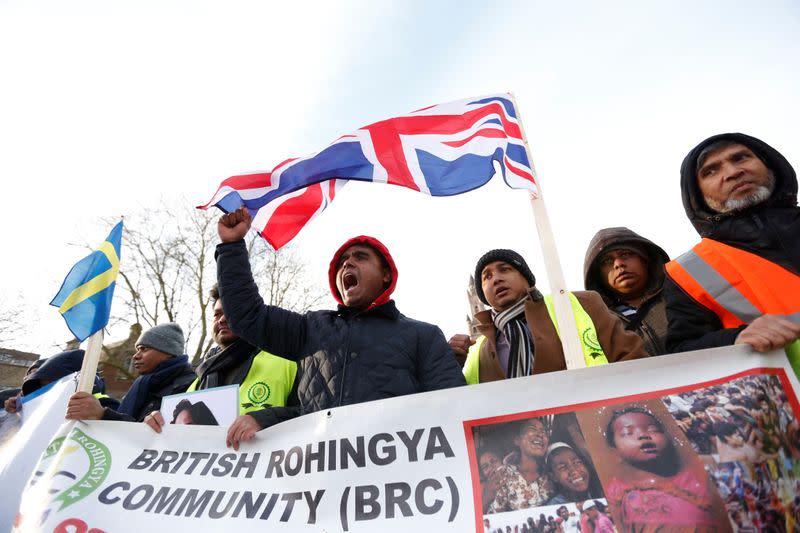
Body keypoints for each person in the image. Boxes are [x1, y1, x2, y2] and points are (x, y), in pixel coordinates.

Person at [216, 207, 465, 449]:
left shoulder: (424, 336)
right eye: (343, 261)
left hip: (399, 483)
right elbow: (247, 316)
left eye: (360, 257)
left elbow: (454, 411)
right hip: (320, 482)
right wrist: (231, 247)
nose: (347, 264)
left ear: (386, 275)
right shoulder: (310, 328)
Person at [664, 133, 800, 361]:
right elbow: (682, 352)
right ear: (698, 194)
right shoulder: (686, 272)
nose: (732, 172)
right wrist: (735, 340)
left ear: (769, 165)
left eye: (740, 158)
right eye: (710, 171)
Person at [453, 249, 645, 384]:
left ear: (526, 278)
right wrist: (453, 361)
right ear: (480, 294)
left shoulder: (581, 304)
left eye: (505, 269)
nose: (496, 278)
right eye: (487, 277)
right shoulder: (476, 351)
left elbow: (632, 358)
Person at [143, 285, 298, 433]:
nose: (222, 319)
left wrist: (264, 420)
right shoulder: (199, 378)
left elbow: (313, 414)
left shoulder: (286, 360)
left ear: (251, 315)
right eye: (217, 314)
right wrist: (159, 423)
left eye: (230, 312)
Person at [604, 407, 719, 530]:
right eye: (628, 433)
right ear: (615, 454)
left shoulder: (696, 477)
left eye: (653, 430)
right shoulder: (625, 498)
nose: (643, 435)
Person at [66, 323, 195, 422]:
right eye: (137, 349)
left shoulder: (189, 387)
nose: (135, 356)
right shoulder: (144, 384)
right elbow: (129, 416)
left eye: (144, 349)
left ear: (168, 352)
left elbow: (158, 437)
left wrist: (103, 415)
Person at [583, 227, 671, 356]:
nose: (618, 264)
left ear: (645, 260)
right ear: (598, 276)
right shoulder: (595, 325)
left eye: (625, 254)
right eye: (607, 261)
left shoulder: (680, 297)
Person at [488, 418, 554, 512]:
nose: (540, 434)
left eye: (543, 431)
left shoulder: (553, 472)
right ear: (517, 440)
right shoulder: (504, 474)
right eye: (532, 429)